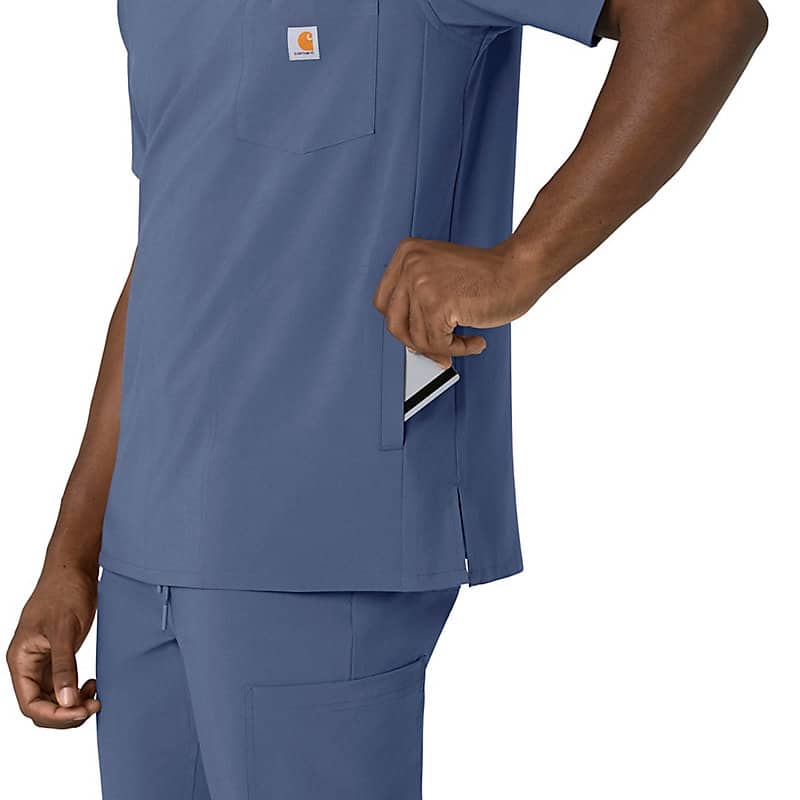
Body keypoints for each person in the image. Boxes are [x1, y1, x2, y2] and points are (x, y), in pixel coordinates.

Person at [7, 0, 767, 797]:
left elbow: (704, 19)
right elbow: (176, 245)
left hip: (322, 540)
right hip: (140, 567)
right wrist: (71, 555)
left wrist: (523, 261)